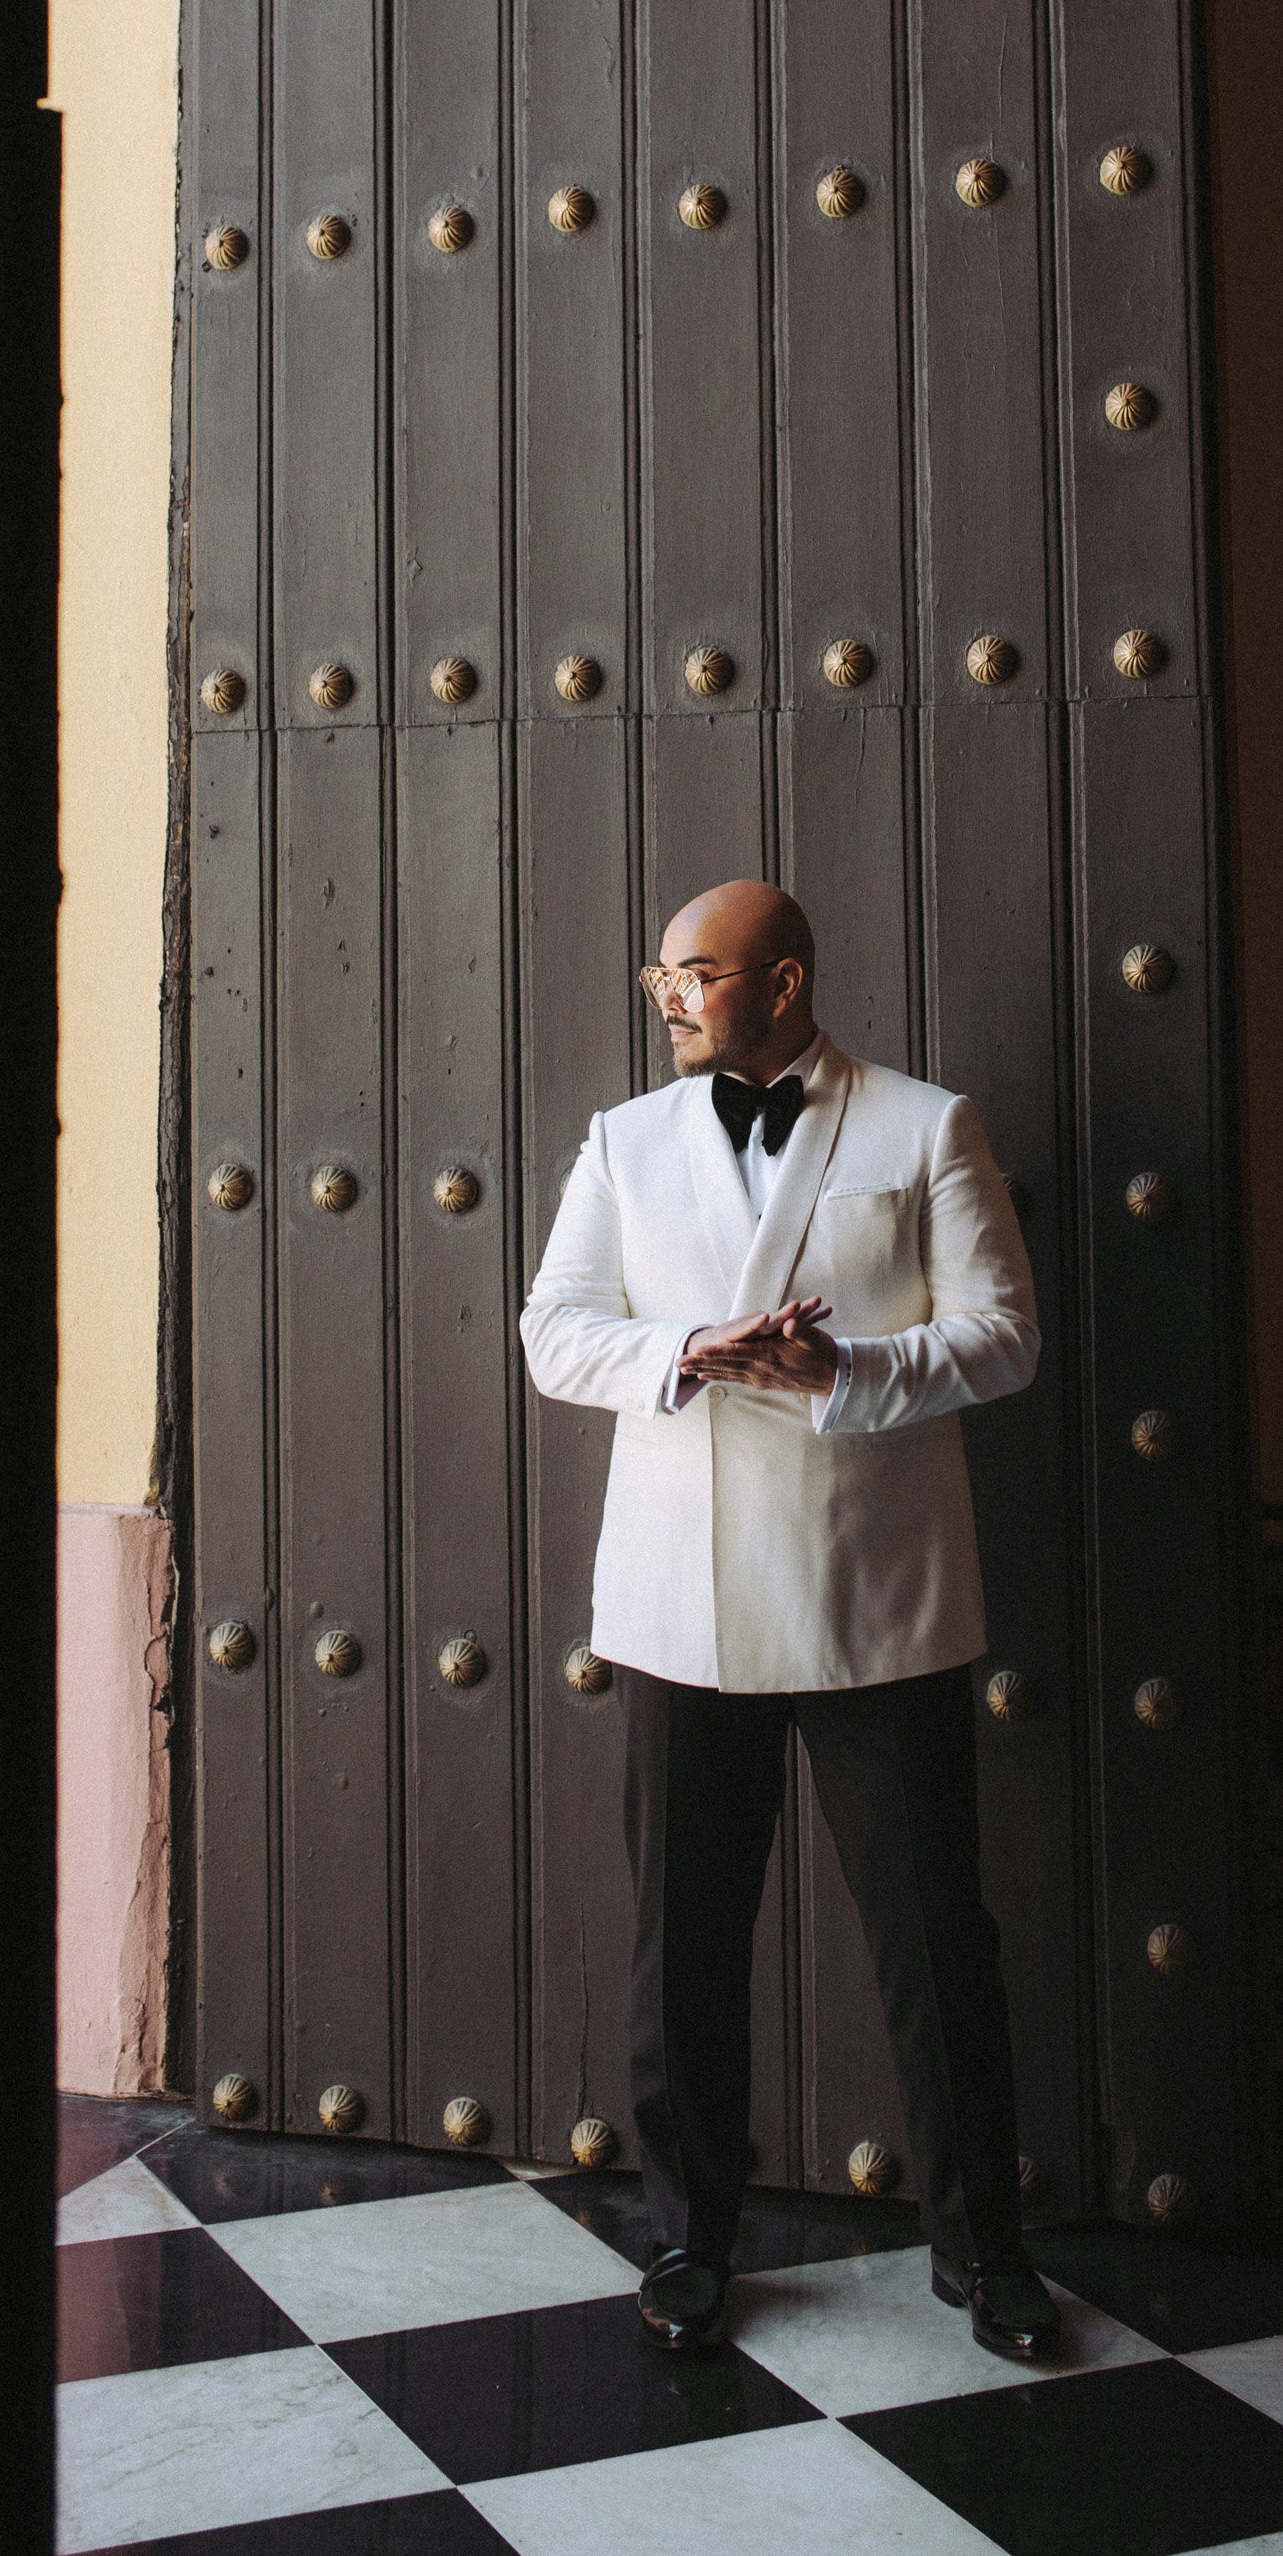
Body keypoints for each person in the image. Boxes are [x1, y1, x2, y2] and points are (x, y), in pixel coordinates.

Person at [520, 878, 1067, 2364]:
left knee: (935, 1937)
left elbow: (1005, 1335)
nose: (670, 999)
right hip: (681, 1598)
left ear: (783, 981)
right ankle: (690, 2238)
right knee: (684, 1941)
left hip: (872, 1590)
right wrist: (693, 1351)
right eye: (660, 977)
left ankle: (983, 2251)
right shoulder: (624, 1141)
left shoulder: (923, 1126)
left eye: (696, 973)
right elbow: (553, 1333)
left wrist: (846, 1375)